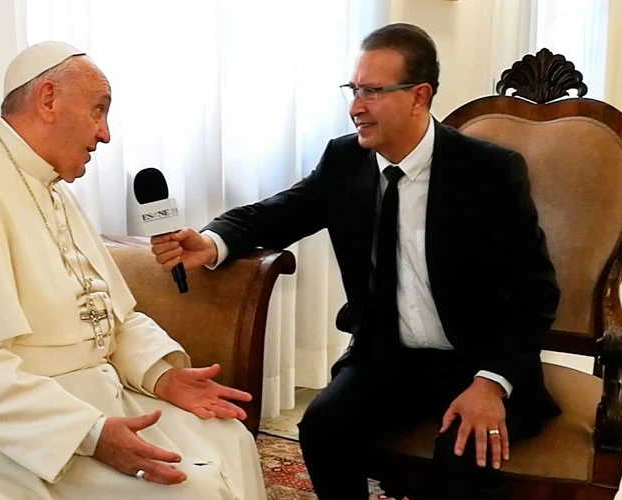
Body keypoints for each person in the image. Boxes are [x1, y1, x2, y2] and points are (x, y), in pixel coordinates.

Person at [150, 23, 561, 500]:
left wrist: (491, 384)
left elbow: (536, 290)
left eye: (371, 92)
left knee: (462, 460)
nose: (355, 108)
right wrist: (212, 240)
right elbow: (280, 212)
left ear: (418, 96)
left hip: (477, 357)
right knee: (323, 427)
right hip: (388, 353)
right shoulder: (345, 161)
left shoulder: (489, 172)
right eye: (353, 90)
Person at [0, 41, 267, 500]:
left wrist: (161, 376)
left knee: (229, 440)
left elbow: (108, 314)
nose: (105, 134)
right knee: (188, 489)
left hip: (79, 397)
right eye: (98, 111)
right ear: (48, 99)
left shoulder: (49, 187)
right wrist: (89, 435)